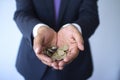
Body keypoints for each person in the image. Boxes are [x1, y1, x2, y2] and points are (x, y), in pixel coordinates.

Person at [14, 0, 99, 80]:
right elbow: (22, 13)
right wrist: (39, 29)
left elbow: (90, 14)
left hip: (75, 65)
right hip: (32, 64)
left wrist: (76, 29)